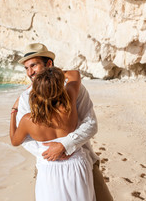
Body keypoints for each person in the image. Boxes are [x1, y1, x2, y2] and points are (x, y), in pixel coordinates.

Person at [14, 43, 113, 200]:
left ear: (49, 64)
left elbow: (91, 124)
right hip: (47, 165)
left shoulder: (75, 89)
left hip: (81, 160)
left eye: (34, 65)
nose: (30, 72)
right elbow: (25, 139)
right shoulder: (26, 98)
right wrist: (49, 153)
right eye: (26, 68)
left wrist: (64, 146)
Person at [10, 67, 95, 200]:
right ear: (60, 86)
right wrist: (54, 73)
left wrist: (14, 112)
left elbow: (14, 141)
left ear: (35, 91)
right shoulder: (69, 104)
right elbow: (75, 74)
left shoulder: (28, 120)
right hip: (76, 164)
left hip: (48, 168)